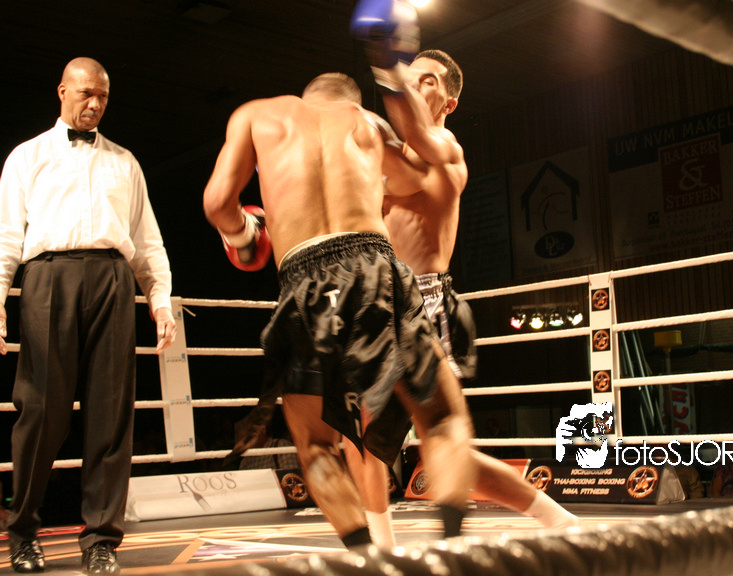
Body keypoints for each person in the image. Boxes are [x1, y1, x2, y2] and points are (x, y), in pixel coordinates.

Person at [202, 71, 476, 549]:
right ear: (350, 99)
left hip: (302, 277)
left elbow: (217, 203)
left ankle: (367, 559)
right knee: (442, 419)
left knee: (316, 445)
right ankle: (452, 549)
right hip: (374, 265)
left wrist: (245, 234)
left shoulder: (256, 114)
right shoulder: (366, 121)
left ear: (306, 95)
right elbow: (414, 181)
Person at [349, 4, 580, 544]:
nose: (416, 84)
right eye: (412, 76)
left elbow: (409, 125)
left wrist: (386, 63)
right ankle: (383, 550)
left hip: (422, 303)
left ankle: (552, 520)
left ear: (449, 101)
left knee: (436, 440)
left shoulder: (445, 150)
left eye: (427, 80)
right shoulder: (388, 155)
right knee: (375, 441)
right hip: (378, 303)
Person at [0, 57, 176, 574]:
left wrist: (160, 300)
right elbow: (6, 237)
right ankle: (23, 532)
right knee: (40, 410)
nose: (94, 104)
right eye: (85, 94)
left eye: (102, 96)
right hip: (47, 278)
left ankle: (101, 540)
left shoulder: (125, 162)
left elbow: (146, 240)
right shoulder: (27, 156)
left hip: (112, 280)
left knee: (111, 413)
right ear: (62, 91)